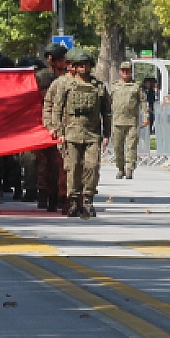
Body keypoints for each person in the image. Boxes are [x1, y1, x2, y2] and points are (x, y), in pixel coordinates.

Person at [45, 47, 109, 217]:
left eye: (86, 64)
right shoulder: (65, 85)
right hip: (71, 133)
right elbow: (56, 108)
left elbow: (106, 111)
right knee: (72, 168)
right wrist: (57, 130)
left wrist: (107, 133)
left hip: (92, 133)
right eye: (79, 65)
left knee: (92, 167)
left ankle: (88, 200)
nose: (83, 68)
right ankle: (73, 201)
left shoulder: (99, 87)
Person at [34, 43, 69, 211]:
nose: (61, 62)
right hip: (43, 123)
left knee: (62, 163)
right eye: (58, 59)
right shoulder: (41, 76)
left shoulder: (69, 77)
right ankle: (46, 195)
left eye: (63, 59)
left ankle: (63, 197)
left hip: (64, 124)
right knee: (45, 163)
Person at [107, 59, 145, 180]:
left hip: (131, 121)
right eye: (123, 70)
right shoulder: (114, 86)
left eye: (127, 71)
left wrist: (146, 116)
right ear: (119, 72)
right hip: (117, 121)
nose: (125, 73)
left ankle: (129, 169)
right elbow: (107, 103)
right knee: (118, 147)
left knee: (131, 146)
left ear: (131, 72)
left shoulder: (136, 87)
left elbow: (143, 102)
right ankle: (120, 168)